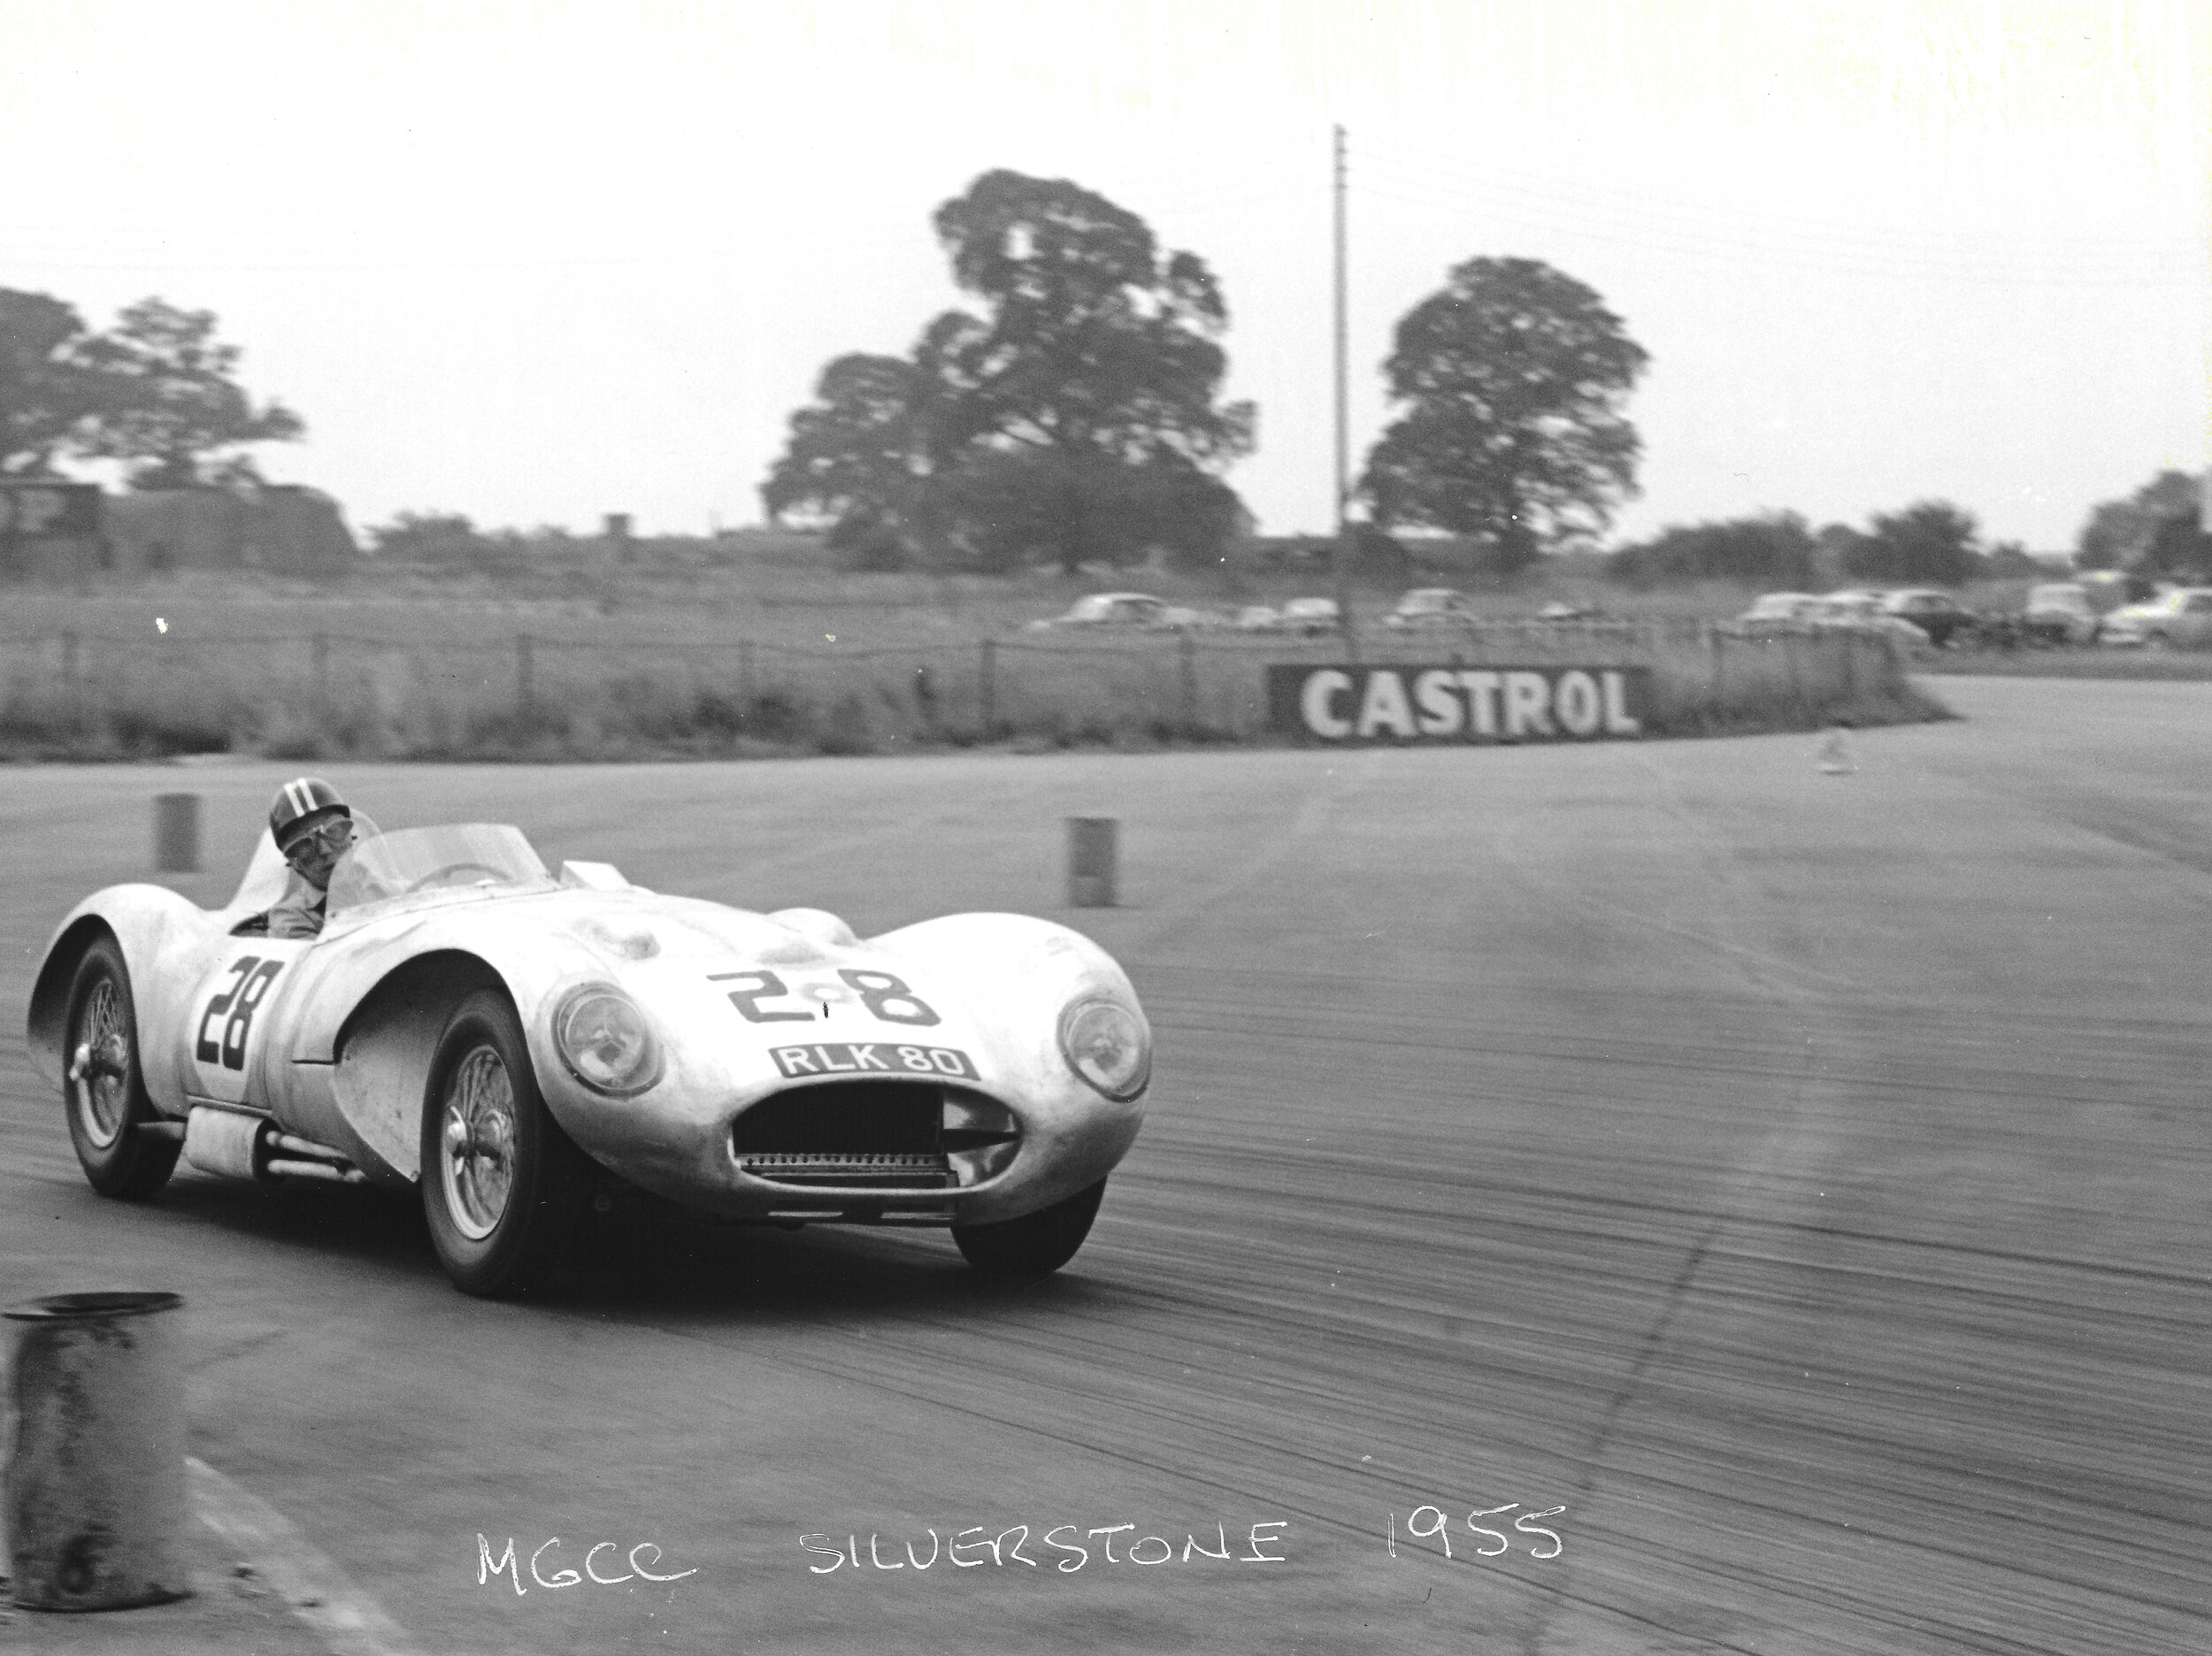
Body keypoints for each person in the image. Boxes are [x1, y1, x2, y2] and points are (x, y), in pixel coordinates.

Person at [261, 777, 356, 939]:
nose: (325, 850)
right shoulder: (291, 919)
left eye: (334, 831)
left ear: (350, 836)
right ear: (294, 863)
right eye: (304, 846)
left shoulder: (390, 887)